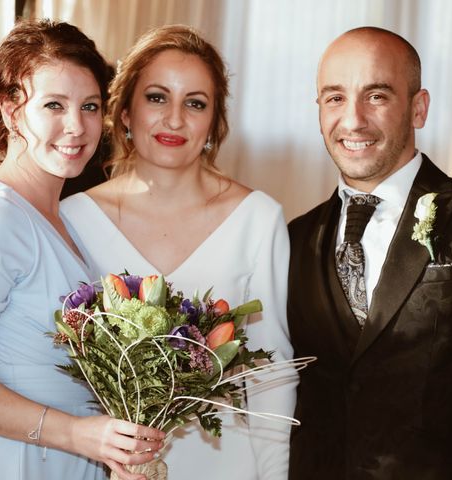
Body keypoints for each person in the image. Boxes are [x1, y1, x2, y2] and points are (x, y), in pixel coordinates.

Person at [287, 26, 452, 479]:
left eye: (376, 96)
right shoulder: (296, 238)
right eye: (335, 98)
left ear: (418, 108)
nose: (352, 120)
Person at [0, 20, 164, 480]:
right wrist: (78, 435)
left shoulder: (64, 218)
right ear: (11, 111)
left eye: (90, 106)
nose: (76, 126)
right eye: (54, 104)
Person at [60, 24, 296, 480]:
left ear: (213, 122)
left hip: (226, 464)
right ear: (124, 112)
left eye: (195, 103)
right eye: (156, 97)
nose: (174, 119)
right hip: (103, 467)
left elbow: (271, 371)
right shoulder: (73, 218)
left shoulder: (258, 218)